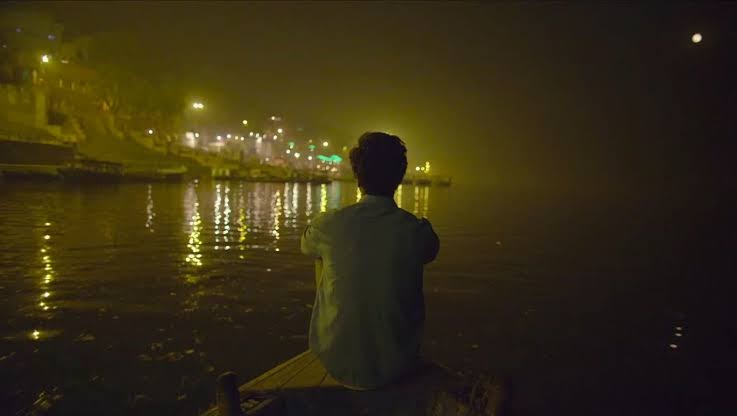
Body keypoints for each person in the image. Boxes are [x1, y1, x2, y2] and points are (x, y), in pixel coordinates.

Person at [301, 131, 440, 389]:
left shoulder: (328, 225)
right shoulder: (417, 231)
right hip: (398, 362)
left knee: (322, 255)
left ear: (357, 176)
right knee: (405, 259)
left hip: (335, 359)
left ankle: (342, 334)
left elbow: (305, 245)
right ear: (399, 177)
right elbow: (431, 251)